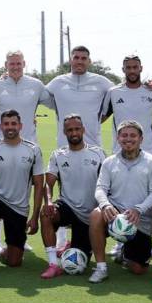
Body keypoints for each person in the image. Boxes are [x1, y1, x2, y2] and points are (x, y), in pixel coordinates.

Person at [88, 120, 152, 283]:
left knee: (139, 269)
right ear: (118, 138)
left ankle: (124, 254)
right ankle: (101, 268)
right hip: (114, 214)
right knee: (96, 214)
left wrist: (138, 209)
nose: (128, 139)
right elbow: (100, 188)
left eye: (133, 135)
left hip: (139, 219)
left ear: (141, 139)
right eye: (124, 135)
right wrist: (105, 205)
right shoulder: (109, 162)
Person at [39, 114, 105, 278]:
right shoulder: (58, 155)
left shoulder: (98, 154)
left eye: (77, 129)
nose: (74, 132)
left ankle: (74, 245)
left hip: (90, 215)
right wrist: (48, 201)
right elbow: (48, 183)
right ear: (64, 132)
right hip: (67, 207)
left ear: (83, 130)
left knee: (79, 263)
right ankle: (53, 264)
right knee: (46, 214)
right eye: (70, 130)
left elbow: (107, 184)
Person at [0, 109, 44, 271]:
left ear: (20, 126)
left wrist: (34, 217)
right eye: (6, 124)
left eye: (13, 123)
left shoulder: (33, 150)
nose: (10, 127)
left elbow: (39, 186)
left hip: (19, 207)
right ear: (1, 126)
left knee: (14, 261)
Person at [43, 46, 113, 149]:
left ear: (89, 61)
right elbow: (37, 96)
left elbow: (119, 93)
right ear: (71, 60)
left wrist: (102, 117)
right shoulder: (58, 82)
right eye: (76, 58)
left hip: (93, 147)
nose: (80, 61)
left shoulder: (101, 82)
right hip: (64, 147)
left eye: (83, 58)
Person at [101, 54, 152, 158]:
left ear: (141, 68)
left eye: (135, 67)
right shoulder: (113, 93)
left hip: (148, 153)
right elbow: (101, 119)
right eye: (128, 68)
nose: (132, 71)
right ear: (123, 69)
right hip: (120, 152)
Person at [0, 50, 51, 144]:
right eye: (12, 64)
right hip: (2, 145)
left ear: (24, 64)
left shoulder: (36, 85)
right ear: (6, 65)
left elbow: (53, 102)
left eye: (18, 63)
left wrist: (29, 117)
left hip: (29, 145)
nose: (15, 67)